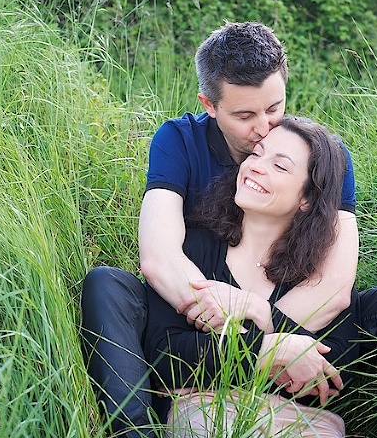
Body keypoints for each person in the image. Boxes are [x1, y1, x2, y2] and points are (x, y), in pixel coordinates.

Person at [80, 21, 377, 438]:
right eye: (246, 115)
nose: (266, 129)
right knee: (108, 285)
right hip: (202, 293)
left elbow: (335, 283)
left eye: (274, 108)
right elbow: (160, 257)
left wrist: (262, 319)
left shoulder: (322, 153)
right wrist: (254, 341)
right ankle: (133, 430)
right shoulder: (180, 141)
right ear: (209, 105)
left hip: (293, 301)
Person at [144, 116, 360, 437]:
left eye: (280, 166)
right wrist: (271, 351)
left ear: (307, 198)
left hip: (298, 423)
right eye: (257, 154)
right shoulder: (196, 247)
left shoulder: (321, 274)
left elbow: (329, 378)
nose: (256, 166)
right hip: (208, 415)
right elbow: (164, 357)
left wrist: (256, 312)